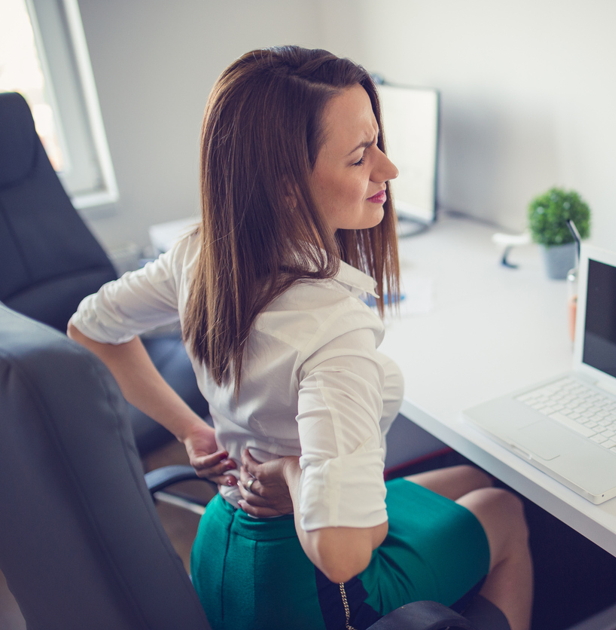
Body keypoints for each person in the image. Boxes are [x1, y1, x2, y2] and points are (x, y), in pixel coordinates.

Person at [68, 46, 532, 630]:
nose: (388, 170)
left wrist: (191, 431)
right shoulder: (331, 334)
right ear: (286, 187)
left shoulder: (204, 252)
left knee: (469, 479)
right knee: (504, 509)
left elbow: (90, 329)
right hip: (305, 585)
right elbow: (341, 555)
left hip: (221, 542)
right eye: (361, 157)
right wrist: (291, 473)